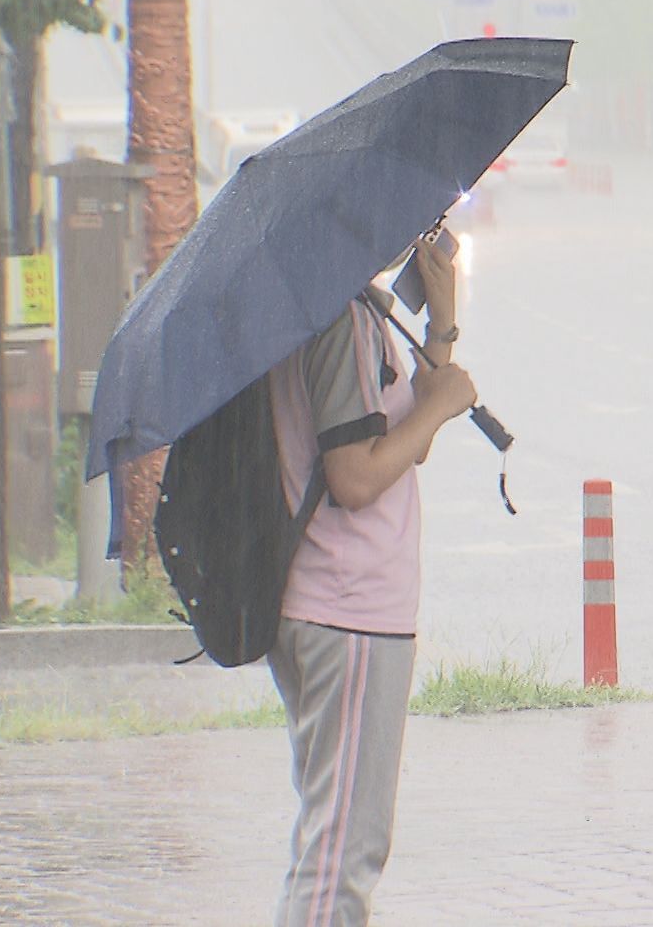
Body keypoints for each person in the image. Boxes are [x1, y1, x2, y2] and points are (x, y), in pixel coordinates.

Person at [263, 232, 477, 925]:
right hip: (348, 609)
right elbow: (356, 475)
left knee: (333, 836)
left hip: (335, 608)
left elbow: (392, 438)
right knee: (342, 858)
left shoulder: (343, 311)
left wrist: (439, 325)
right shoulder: (342, 321)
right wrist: (442, 404)